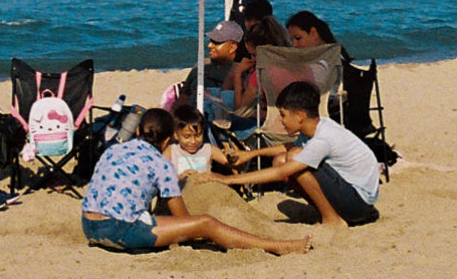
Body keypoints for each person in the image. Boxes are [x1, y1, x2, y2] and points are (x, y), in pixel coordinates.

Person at [80, 107, 309, 255]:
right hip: (118, 230)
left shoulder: (114, 151)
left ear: (139, 131)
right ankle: (277, 247)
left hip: (89, 225)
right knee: (206, 223)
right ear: (170, 138)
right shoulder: (162, 164)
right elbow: (184, 220)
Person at [208, 81, 380, 227]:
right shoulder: (316, 126)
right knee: (283, 158)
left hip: (358, 205)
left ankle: (332, 219)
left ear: (299, 116)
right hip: (353, 195)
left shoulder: (323, 139)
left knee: (292, 158)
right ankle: (327, 212)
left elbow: (282, 173)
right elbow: (286, 147)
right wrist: (251, 154)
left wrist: (227, 179)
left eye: (283, 115)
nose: (280, 120)